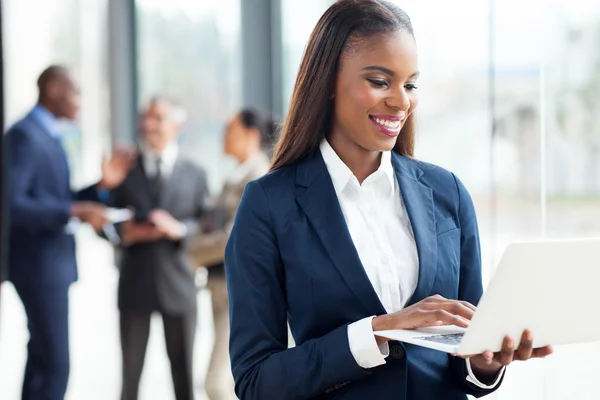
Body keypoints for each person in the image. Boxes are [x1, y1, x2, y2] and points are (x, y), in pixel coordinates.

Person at [224, 2, 553, 399]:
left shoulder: (447, 192)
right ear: (328, 81)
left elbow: (466, 349)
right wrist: (377, 331)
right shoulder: (269, 205)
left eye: (410, 84)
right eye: (380, 81)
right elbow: (256, 380)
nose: (401, 102)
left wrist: (485, 361)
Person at [5, 65, 134, 400]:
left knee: (42, 359)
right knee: (56, 364)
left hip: (49, 264)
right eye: (76, 92)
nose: (80, 101)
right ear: (52, 90)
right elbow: (12, 204)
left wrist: (101, 187)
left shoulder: (49, 134)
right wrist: (75, 210)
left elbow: (59, 199)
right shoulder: (24, 135)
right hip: (37, 265)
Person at [107, 96, 210, 400]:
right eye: (145, 118)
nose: (148, 125)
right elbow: (106, 219)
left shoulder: (196, 172)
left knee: (184, 377)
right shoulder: (124, 168)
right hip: (134, 284)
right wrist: (125, 233)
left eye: (157, 119)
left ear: (176, 126)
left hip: (178, 285)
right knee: (130, 377)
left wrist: (178, 229)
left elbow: (206, 224)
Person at [187, 108, 275, 400]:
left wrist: (190, 253)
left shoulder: (257, 177)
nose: (224, 136)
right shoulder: (235, 177)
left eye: (230, 129)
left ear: (250, 135)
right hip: (221, 287)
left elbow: (233, 238)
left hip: (242, 291)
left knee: (217, 382)